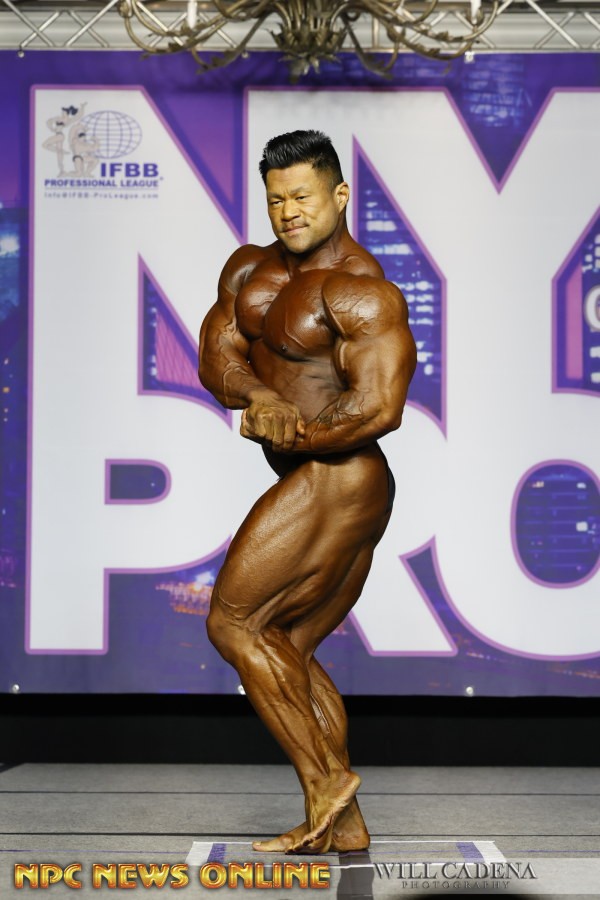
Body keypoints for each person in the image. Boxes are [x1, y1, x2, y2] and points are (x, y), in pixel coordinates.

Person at [198, 130, 416, 855]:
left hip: (343, 476)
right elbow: (217, 356)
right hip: (313, 478)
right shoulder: (248, 269)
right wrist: (259, 395)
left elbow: (379, 406)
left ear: (340, 196)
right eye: (276, 199)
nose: (288, 211)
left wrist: (295, 434)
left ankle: (325, 783)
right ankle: (344, 824)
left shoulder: (359, 289)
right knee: (285, 644)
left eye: (303, 196)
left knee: (234, 624)